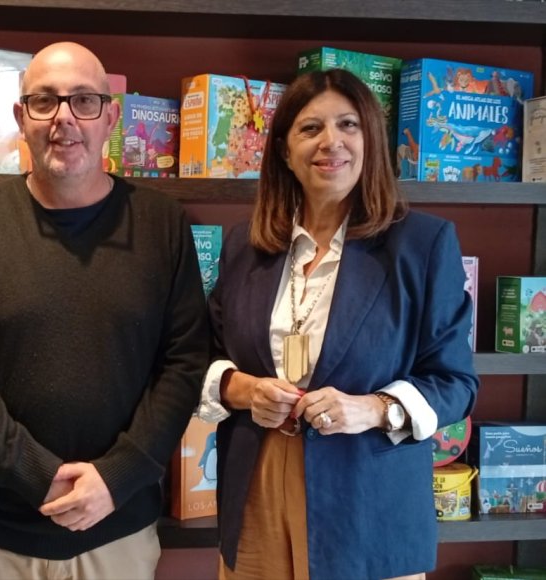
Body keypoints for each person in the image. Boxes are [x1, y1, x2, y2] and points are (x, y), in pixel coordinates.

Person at [0, 41, 209, 579]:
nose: (64, 119)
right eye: (44, 102)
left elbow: (185, 364)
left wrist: (117, 477)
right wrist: (36, 474)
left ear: (110, 118)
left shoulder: (162, 225)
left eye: (84, 101)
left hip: (117, 526)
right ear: (20, 117)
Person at [197, 69, 479, 580]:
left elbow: (455, 382)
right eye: (310, 129)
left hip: (367, 500)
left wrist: (372, 408)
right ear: (284, 151)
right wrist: (243, 390)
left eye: (348, 125)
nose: (332, 142)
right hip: (258, 487)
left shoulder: (422, 244)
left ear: (369, 138)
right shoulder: (246, 246)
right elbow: (203, 357)